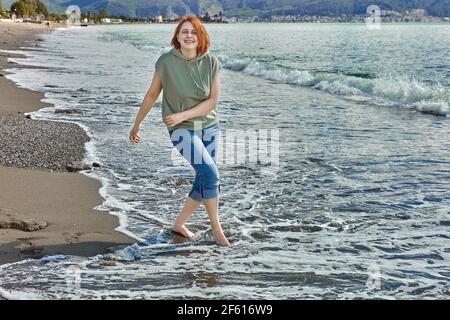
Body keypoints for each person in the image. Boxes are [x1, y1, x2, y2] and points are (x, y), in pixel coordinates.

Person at [129, 15, 230, 246]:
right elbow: (153, 94)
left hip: (210, 127)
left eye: (193, 32)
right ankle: (217, 229)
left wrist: (183, 114)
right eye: (184, 31)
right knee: (211, 174)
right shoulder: (166, 62)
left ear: (200, 36)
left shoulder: (212, 62)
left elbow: (213, 101)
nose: (189, 36)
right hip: (182, 130)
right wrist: (137, 124)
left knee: (204, 176)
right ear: (177, 36)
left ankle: (179, 224)